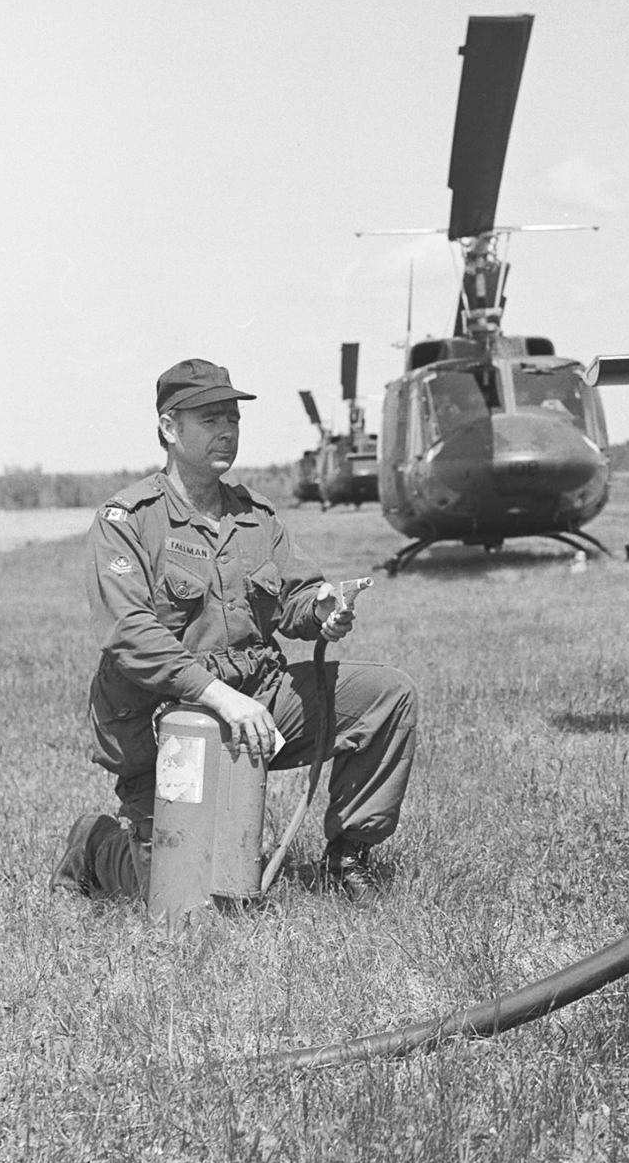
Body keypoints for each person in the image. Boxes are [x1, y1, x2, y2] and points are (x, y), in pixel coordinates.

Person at [51, 359, 418, 906]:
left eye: (233, 419)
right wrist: (217, 697)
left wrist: (321, 609)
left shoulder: (256, 517)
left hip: (257, 698)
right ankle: (97, 845)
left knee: (387, 694)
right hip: (164, 713)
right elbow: (129, 634)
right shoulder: (127, 521)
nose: (227, 431)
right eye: (210, 419)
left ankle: (347, 857)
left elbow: (294, 597)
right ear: (169, 429)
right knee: (178, 892)